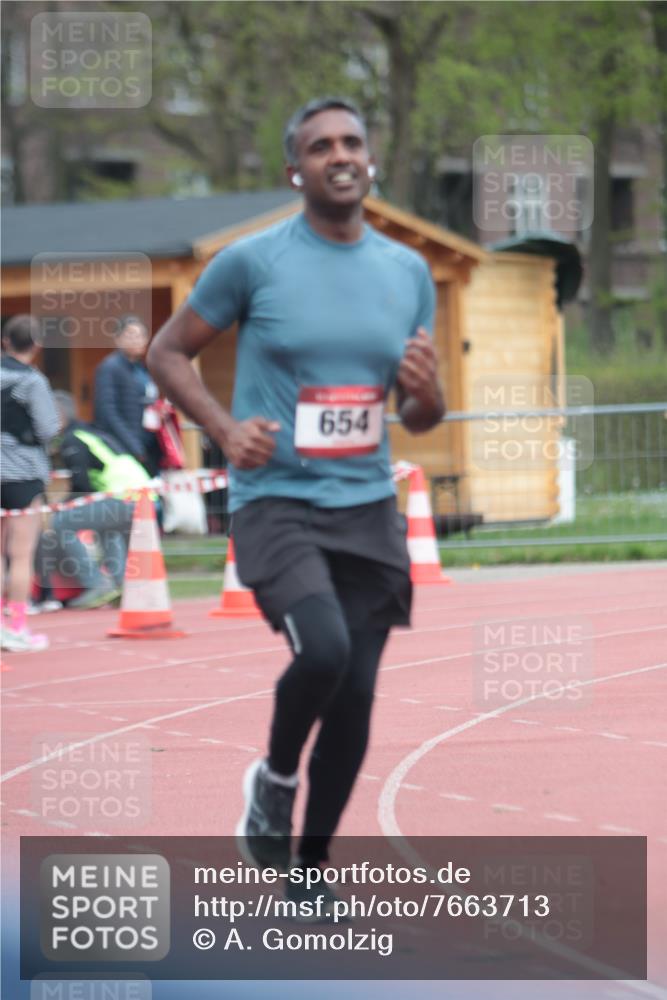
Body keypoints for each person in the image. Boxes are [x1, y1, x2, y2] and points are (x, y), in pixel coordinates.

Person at [147, 97, 444, 899]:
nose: (338, 155)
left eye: (352, 141)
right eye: (320, 146)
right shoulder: (253, 262)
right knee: (324, 651)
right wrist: (221, 426)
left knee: (354, 699)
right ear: (296, 170)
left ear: (369, 161)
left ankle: (308, 873)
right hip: (274, 500)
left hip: (366, 508)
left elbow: (421, 413)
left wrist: (426, 393)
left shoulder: (406, 272)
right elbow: (168, 353)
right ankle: (274, 783)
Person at [34, 391, 151, 609]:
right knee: (107, 528)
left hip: (123, 497)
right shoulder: (92, 433)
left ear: (58, 416)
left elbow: (81, 485)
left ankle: (96, 583)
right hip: (142, 497)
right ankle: (120, 586)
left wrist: (58, 507)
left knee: (61, 523)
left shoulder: (73, 440)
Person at [0, 315, 60, 652]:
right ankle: (17, 626)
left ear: (6, 341)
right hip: (23, 473)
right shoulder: (34, 382)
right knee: (20, 555)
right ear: (36, 346)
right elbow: (49, 428)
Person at [94, 315, 161, 476]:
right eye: (131, 335)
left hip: (149, 443)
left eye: (141, 335)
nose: (137, 340)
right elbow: (107, 411)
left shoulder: (142, 368)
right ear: (118, 339)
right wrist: (133, 445)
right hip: (125, 446)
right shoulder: (110, 367)